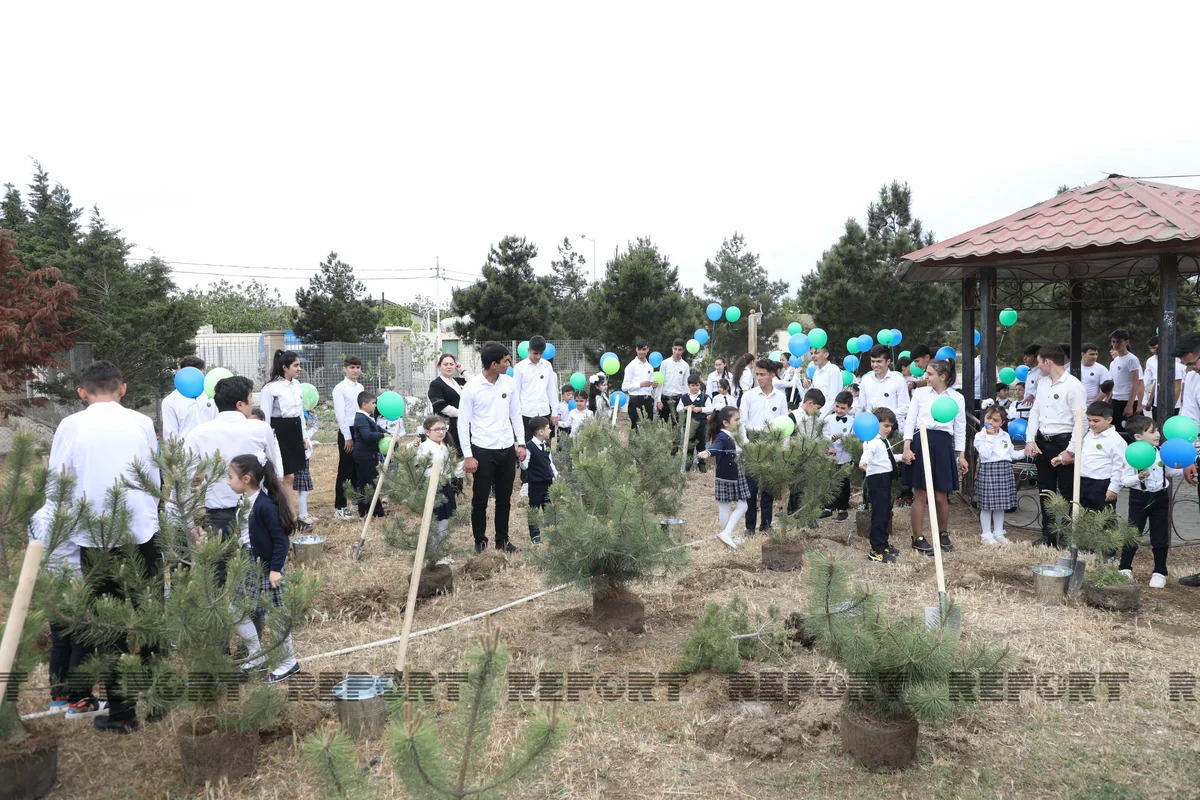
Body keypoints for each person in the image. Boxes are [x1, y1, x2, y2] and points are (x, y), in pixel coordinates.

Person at [49, 361, 160, 734]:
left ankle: (122, 713)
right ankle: (158, 702)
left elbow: (58, 483)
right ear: (122, 389)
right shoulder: (141, 422)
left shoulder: (71, 425)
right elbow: (154, 476)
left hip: (95, 537)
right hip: (142, 532)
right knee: (150, 619)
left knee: (108, 627)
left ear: (82, 392)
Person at [183, 375, 283, 557]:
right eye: (251, 397)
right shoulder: (261, 429)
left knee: (221, 568)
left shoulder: (198, 433)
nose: (253, 402)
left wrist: (190, 524)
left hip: (217, 515)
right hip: (257, 510)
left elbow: (182, 480)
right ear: (240, 404)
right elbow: (273, 469)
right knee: (260, 565)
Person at [226, 452, 300, 683]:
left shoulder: (265, 506)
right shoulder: (243, 502)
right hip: (249, 563)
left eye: (230, 477)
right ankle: (256, 655)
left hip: (268, 567)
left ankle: (289, 662)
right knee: (234, 608)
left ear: (246, 479)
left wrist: (275, 569)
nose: (228, 482)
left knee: (275, 615)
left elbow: (281, 541)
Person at [457, 341, 526, 554]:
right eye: (506, 361)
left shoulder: (509, 383)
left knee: (504, 499)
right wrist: (468, 455)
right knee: (480, 499)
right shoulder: (472, 387)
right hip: (483, 450)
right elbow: (463, 423)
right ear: (494, 364)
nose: (509, 364)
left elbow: (516, 414)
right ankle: (480, 541)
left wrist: (521, 443)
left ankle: (502, 540)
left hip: (506, 448)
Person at [1024, 344, 1087, 548]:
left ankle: (1068, 535)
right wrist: (1030, 439)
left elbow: (1081, 421)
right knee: (1045, 489)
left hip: (1064, 441)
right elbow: (1035, 411)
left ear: (1048, 362)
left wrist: (1071, 450)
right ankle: (1048, 534)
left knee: (1068, 492)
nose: (1038, 366)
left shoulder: (1074, 386)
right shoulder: (1042, 382)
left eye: (1039, 362)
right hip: (1043, 441)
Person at [902, 359, 966, 556]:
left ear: (943, 376)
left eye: (929, 374)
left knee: (940, 495)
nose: (925, 377)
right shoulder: (920, 394)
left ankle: (943, 533)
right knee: (920, 493)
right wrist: (907, 447)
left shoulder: (957, 398)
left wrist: (961, 455)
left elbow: (960, 428)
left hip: (943, 444)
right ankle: (918, 537)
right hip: (921, 441)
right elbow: (910, 420)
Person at [1117, 416, 1178, 589]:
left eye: (1157, 430)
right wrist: (1139, 477)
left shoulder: (1161, 452)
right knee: (1134, 532)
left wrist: (1185, 469)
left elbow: (1170, 470)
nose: (1157, 434)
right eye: (1152, 432)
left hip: (1160, 497)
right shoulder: (1132, 454)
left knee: (1160, 536)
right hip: (1140, 498)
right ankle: (1125, 567)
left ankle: (1160, 571)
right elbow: (1125, 480)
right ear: (1138, 436)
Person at [738, 358, 789, 534]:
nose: (759, 378)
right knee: (751, 488)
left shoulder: (780, 397)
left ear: (772, 375)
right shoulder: (748, 396)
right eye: (757, 374)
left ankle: (766, 524)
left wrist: (783, 447)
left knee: (768, 487)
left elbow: (784, 425)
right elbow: (741, 423)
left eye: (763, 374)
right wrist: (746, 444)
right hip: (752, 442)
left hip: (772, 443)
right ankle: (750, 526)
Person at [1059, 401, 1125, 513]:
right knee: (1083, 514)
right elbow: (1085, 456)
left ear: (1109, 420)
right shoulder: (1088, 435)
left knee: (1103, 517)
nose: (1091, 424)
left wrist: (1113, 488)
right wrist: (1064, 459)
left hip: (1101, 484)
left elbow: (1120, 467)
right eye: (1089, 420)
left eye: (1096, 421)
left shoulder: (1116, 441)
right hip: (1083, 481)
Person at [698, 406, 749, 550]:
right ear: (726, 423)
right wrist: (708, 452)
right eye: (736, 420)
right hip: (731, 475)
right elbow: (717, 447)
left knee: (725, 507)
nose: (739, 422)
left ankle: (728, 535)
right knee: (742, 506)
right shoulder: (723, 436)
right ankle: (727, 533)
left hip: (727, 475)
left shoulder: (733, 434)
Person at [973, 405, 1024, 545]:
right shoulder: (980, 436)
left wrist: (1025, 452)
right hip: (989, 470)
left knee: (1000, 505)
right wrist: (989, 437)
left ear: (1002, 423)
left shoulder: (1005, 435)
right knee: (987, 505)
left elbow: (1011, 454)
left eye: (996, 420)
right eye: (988, 418)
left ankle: (998, 532)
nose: (991, 422)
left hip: (1004, 469)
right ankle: (986, 534)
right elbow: (985, 454)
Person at [259, 350, 305, 504]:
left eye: (299, 365)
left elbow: (300, 413)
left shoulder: (297, 385)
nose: (299, 369)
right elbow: (265, 417)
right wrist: (268, 441)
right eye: (296, 365)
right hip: (279, 433)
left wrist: (304, 436)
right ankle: (288, 512)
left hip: (295, 431)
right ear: (285, 367)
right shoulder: (270, 388)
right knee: (285, 475)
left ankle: (288, 511)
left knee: (291, 476)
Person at [418, 415, 462, 562]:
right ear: (427, 431)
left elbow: (451, 469)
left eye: (443, 428)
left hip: (445, 486)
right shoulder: (424, 448)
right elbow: (419, 470)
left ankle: (441, 551)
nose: (441, 432)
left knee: (444, 520)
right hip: (431, 487)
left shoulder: (445, 447)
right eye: (437, 429)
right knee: (435, 521)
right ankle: (434, 553)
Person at [859, 408, 900, 563]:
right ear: (875, 425)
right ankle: (876, 550)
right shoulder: (873, 440)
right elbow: (868, 453)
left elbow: (887, 458)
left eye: (891, 426)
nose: (889, 429)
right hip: (877, 479)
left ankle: (883, 544)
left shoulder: (883, 440)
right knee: (879, 514)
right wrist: (863, 462)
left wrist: (902, 457)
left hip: (885, 477)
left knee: (885, 513)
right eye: (886, 425)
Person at [514, 334, 560, 453]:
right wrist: (515, 413)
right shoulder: (519, 367)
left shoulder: (547, 365)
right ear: (529, 350)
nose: (538, 356)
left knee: (545, 447)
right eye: (535, 353)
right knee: (528, 447)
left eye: (541, 353)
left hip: (544, 411)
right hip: (526, 412)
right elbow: (516, 393)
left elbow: (551, 389)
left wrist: (555, 412)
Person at [332, 356, 365, 520]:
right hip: (348, 430)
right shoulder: (340, 388)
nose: (355, 370)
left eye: (358, 367)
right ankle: (340, 506)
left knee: (358, 467)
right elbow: (341, 414)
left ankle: (356, 500)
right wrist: (347, 436)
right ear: (345, 369)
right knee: (345, 469)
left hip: (360, 428)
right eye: (352, 367)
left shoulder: (360, 387)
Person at [161, 356, 218, 441]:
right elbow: (170, 434)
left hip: (212, 446)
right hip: (186, 448)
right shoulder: (170, 401)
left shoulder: (212, 395)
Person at [520, 416, 558, 544]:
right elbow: (525, 466)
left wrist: (556, 475)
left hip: (548, 482)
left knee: (548, 508)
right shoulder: (529, 447)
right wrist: (521, 459)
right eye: (548, 428)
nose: (550, 430)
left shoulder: (546, 444)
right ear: (541, 432)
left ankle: (551, 532)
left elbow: (550, 462)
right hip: (535, 484)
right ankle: (535, 536)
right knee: (534, 509)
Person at [352, 392, 388, 518]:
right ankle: (376, 511)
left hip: (366, 454)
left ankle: (365, 510)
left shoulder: (366, 417)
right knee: (370, 482)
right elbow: (367, 436)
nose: (375, 406)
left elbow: (376, 428)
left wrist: (387, 433)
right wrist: (382, 435)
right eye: (373, 403)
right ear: (364, 404)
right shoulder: (361, 418)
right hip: (365, 455)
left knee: (364, 482)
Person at [857, 345, 910, 430]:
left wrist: (886, 418)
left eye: (879, 361)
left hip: (892, 428)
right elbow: (861, 407)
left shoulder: (898, 380)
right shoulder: (865, 380)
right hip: (870, 427)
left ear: (888, 361)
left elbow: (905, 407)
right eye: (872, 361)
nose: (875, 365)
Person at [821, 391, 855, 523]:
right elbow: (823, 434)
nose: (839, 410)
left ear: (849, 408)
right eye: (837, 407)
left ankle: (842, 509)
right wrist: (831, 439)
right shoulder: (828, 419)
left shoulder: (852, 421)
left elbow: (853, 437)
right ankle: (828, 507)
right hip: (830, 455)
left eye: (843, 408)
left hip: (845, 456)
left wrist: (843, 439)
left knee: (843, 483)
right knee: (828, 481)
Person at [428, 353, 466, 455]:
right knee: (452, 455)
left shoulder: (459, 381)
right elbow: (440, 405)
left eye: (451, 364)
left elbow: (476, 384)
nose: (449, 367)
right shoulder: (436, 384)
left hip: (465, 425)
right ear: (440, 366)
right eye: (445, 364)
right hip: (449, 427)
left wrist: (462, 371)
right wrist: (462, 413)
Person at [1108, 329, 1143, 435]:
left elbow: (1136, 383)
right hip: (1116, 399)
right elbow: (1114, 382)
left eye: (1119, 342)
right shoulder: (1114, 362)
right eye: (1113, 342)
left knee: (1129, 432)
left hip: (1127, 400)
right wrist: (1109, 398)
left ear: (1126, 342)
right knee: (1115, 430)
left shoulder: (1132, 359)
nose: (1115, 344)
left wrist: (1130, 405)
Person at [677, 374, 711, 472]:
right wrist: (685, 408)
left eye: (697, 385)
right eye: (693, 385)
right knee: (689, 444)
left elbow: (710, 408)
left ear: (700, 385)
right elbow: (678, 409)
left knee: (701, 444)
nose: (695, 387)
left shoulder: (705, 397)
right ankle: (688, 463)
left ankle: (701, 463)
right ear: (688, 386)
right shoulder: (684, 397)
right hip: (688, 425)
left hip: (701, 424)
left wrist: (701, 409)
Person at [621, 340, 657, 431]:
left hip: (648, 400)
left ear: (647, 350)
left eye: (644, 349)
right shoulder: (631, 366)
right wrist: (640, 385)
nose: (641, 352)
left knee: (648, 428)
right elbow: (624, 387)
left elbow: (649, 388)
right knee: (635, 429)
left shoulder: (650, 367)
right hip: (635, 401)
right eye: (639, 349)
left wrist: (653, 386)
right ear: (636, 350)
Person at [658, 339, 690, 425]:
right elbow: (660, 382)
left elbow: (686, 385)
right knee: (662, 425)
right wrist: (658, 400)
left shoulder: (685, 365)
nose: (677, 352)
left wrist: (684, 401)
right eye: (675, 349)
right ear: (672, 348)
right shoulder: (665, 363)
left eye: (679, 350)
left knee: (677, 425)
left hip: (678, 399)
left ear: (683, 351)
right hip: (664, 398)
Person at [295, 408, 317, 528]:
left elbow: (315, 428)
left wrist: (314, 416)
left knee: (305, 490)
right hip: (300, 462)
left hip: (305, 462)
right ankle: (302, 515)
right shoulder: (297, 434)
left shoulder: (305, 434)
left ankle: (305, 513)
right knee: (303, 490)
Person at [809, 346, 841, 417]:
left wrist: (820, 416)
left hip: (827, 415)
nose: (813, 356)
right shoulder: (816, 371)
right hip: (815, 414)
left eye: (816, 353)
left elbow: (833, 398)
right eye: (811, 353)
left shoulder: (833, 370)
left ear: (826, 355)